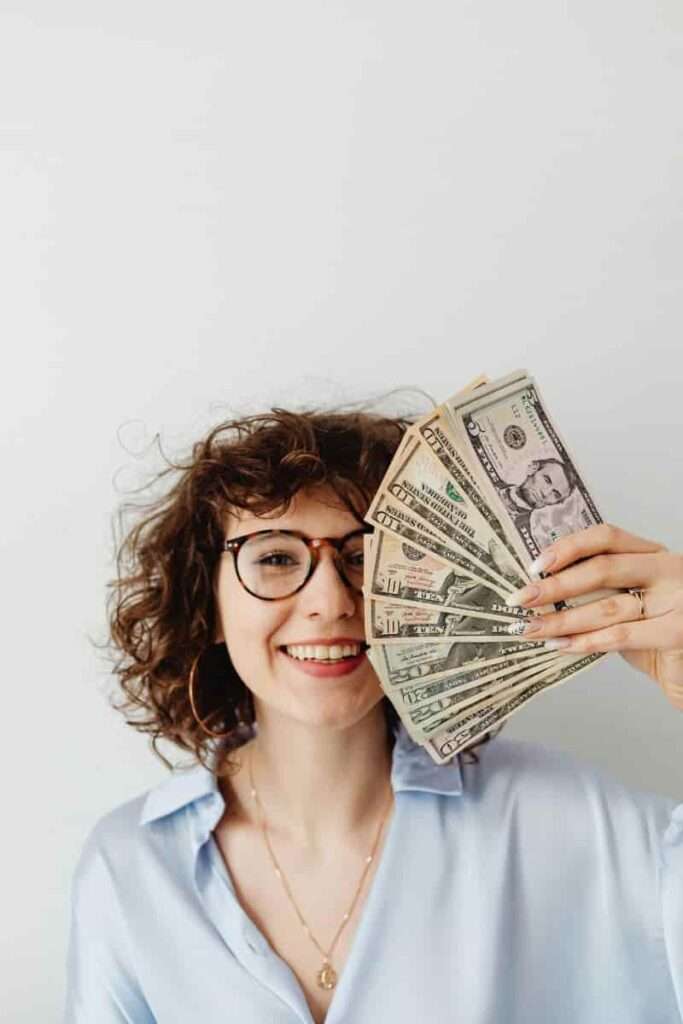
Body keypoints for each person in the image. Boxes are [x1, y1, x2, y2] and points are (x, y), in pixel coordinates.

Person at [63, 407, 683, 1024]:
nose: (331, 602)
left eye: (364, 556)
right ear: (209, 602)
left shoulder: (568, 817)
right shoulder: (132, 864)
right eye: (275, 558)